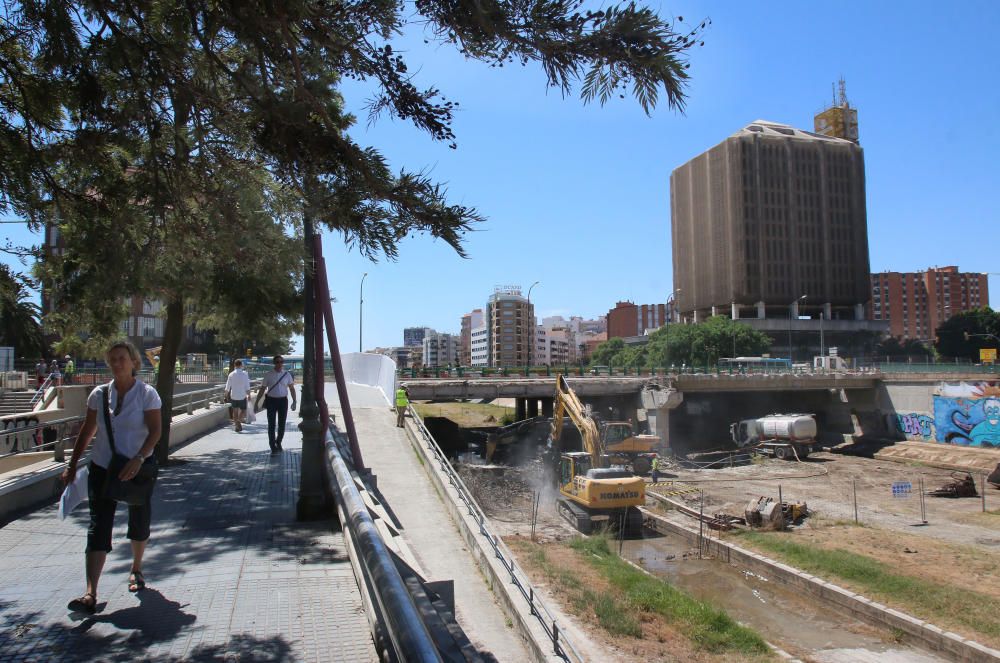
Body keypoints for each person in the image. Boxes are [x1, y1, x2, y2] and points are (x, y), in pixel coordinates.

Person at [61, 340, 162, 614]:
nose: (117, 363)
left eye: (122, 358)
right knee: (98, 525)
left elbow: (155, 431)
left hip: (137, 468)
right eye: (112, 359)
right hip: (103, 468)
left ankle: (136, 569)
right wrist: (72, 465)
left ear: (133, 362)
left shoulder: (147, 394)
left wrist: (139, 458)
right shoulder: (99, 394)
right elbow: (87, 430)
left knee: (139, 520)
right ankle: (90, 593)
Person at [255, 355, 296, 452]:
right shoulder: (268, 374)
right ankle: (272, 445)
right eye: (277, 362)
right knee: (271, 424)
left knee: (282, 424)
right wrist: (257, 402)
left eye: (281, 362)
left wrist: (294, 401)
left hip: (283, 401)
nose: (279, 364)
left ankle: (279, 441)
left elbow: (291, 388)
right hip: (271, 401)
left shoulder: (287, 374)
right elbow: (262, 389)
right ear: (274, 363)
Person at [224, 359, 251, 432]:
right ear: (241, 365)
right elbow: (247, 386)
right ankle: (238, 421)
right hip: (242, 396)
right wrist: (249, 395)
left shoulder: (231, 374)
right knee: (243, 410)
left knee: (235, 411)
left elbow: (227, 387)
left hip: (234, 396)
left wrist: (226, 396)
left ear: (235, 365)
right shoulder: (245, 374)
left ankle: (236, 425)